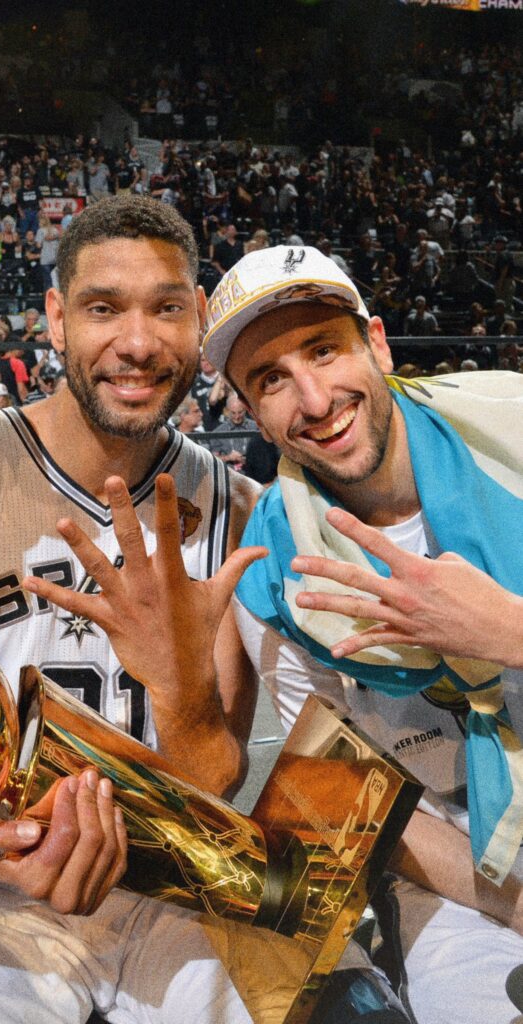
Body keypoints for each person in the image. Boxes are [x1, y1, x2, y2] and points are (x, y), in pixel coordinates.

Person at [0, 194, 262, 1024]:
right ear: (53, 319)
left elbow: (216, 776)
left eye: (167, 309)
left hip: (172, 884)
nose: (138, 342)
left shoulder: (236, 507)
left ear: (198, 321)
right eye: (102, 308)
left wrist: (179, 690)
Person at [201, 244, 523, 1024]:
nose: (312, 400)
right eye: (271, 379)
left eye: (323, 349)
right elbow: (359, 799)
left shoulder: (511, 426)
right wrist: (511, 905)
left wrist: (508, 630)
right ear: (247, 410)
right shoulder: (271, 575)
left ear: (375, 343)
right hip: (464, 867)